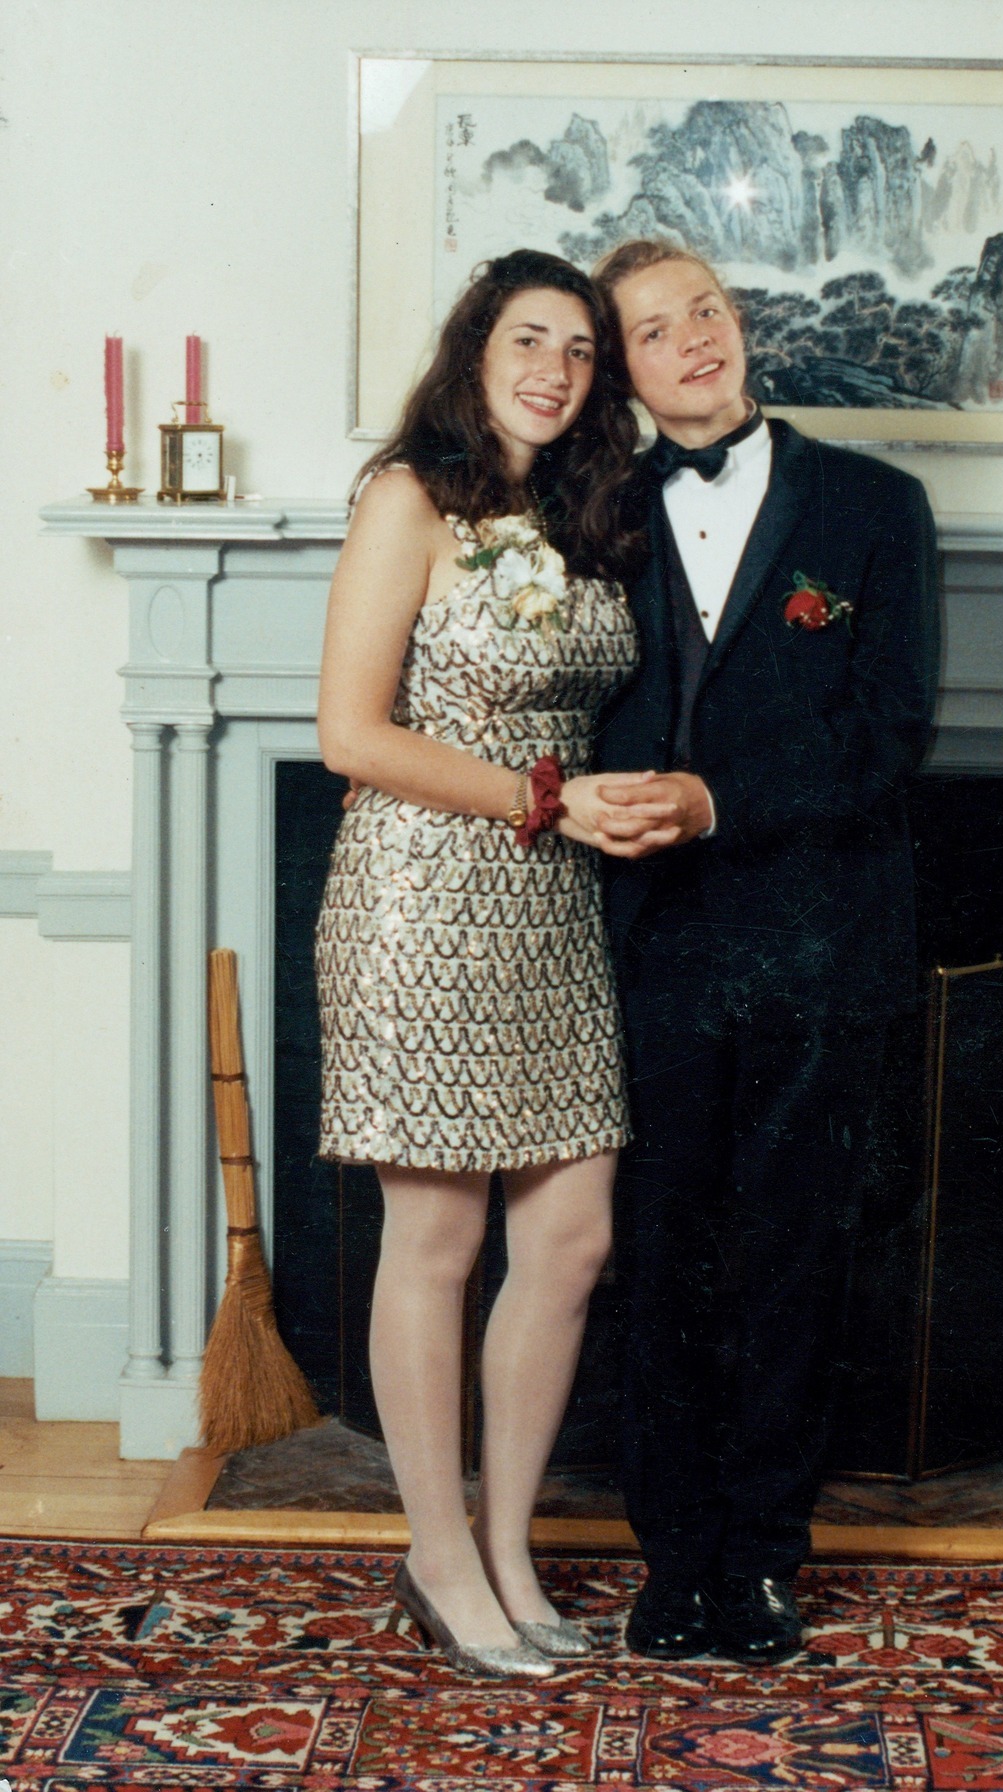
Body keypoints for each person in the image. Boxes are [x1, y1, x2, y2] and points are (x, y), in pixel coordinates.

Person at [313, 249, 669, 1680]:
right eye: (530, 340)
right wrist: (544, 798)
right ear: (476, 350)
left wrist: (603, 804)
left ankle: (509, 1548)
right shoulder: (409, 496)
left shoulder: (589, 513)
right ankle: (439, 1555)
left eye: (580, 351)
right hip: (422, 895)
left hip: (555, 900)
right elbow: (351, 734)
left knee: (571, 1236)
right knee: (440, 1240)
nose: (554, 370)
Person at [590, 239, 941, 1664]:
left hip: (818, 942)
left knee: (798, 1258)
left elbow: (892, 730)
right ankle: (674, 1560)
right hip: (646, 942)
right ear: (622, 369)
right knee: (657, 1254)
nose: (696, 339)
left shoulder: (874, 504)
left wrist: (716, 801)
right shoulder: (590, 512)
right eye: (655, 329)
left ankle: (764, 1562)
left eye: (709, 311)